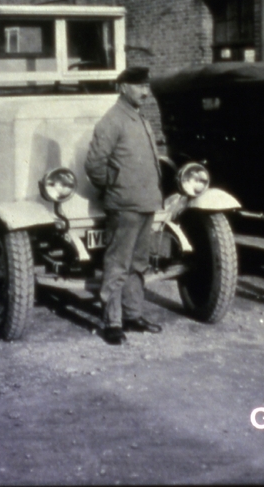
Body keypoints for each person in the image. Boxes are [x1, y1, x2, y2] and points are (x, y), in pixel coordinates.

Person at [85, 66, 165, 344]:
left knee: (138, 264)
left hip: (144, 203)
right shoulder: (113, 120)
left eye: (147, 86)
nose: (145, 92)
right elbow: (94, 164)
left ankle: (132, 315)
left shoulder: (139, 118)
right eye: (139, 86)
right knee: (118, 265)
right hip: (124, 205)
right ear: (123, 88)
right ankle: (113, 322)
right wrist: (115, 184)